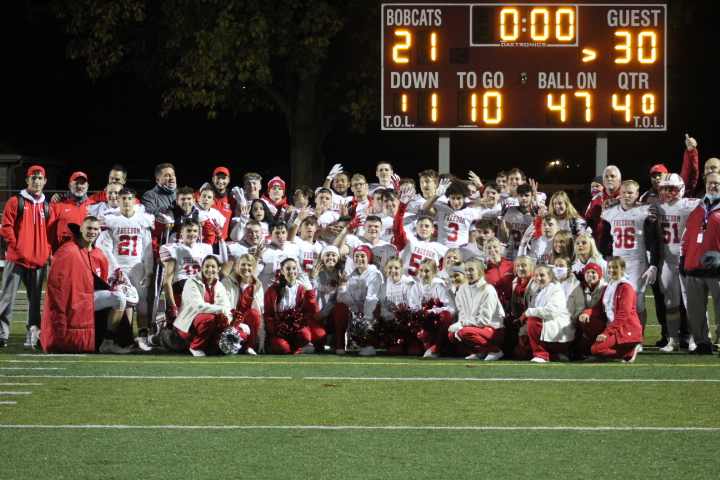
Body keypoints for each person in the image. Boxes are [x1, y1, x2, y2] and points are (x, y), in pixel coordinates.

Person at [41, 217, 131, 354]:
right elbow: (58, 285)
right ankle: (38, 335)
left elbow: (102, 281)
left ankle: (107, 342)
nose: (92, 232)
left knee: (119, 298)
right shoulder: (68, 251)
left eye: (95, 229)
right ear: (81, 229)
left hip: (90, 297)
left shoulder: (98, 254)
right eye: (89, 228)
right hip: (74, 298)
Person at [0, 165, 53, 348]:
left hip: (38, 261)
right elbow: (6, 227)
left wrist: (45, 252)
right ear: (27, 180)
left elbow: (50, 233)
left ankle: (33, 334)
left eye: (40, 178)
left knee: (35, 301)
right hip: (16, 260)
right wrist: (16, 248)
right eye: (33, 178)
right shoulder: (16, 201)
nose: (36, 181)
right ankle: (2, 334)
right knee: (7, 298)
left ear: (45, 181)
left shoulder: (47, 205)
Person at [97, 188, 155, 350]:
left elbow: (147, 248)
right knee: (120, 303)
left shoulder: (143, 219)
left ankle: (143, 337)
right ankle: (122, 337)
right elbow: (106, 248)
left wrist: (149, 270)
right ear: (119, 200)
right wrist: (115, 268)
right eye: (123, 198)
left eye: (129, 198)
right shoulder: (110, 219)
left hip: (137, 266)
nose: (127, 201)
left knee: (142, 304)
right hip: (118, 267)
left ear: (135, 200)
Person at [600, 179, 659, 333]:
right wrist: (600, 260)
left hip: (636, 260)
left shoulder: (644, 210)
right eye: (624, 192)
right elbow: (604, 239)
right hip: (616, 261)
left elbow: (653, 240)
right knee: (613, 298)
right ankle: (618, 333)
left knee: (637, 300)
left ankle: (638, 336)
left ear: (637, 194)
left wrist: (653, 263)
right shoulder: (611, 211)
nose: (627, 196)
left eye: (630, 193)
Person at [656, 173, 700, 352]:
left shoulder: (691, 205)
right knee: (670, 303)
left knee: (692, 303)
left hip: (686, 261)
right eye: (664, 189)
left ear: (680, 189)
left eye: (671, 189)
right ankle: (673, 340)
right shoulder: (656, 205)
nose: (667, 193)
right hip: (667, 262)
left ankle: (695, 338)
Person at [680, 171, 720, 355]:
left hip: (717, 270)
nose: (713, 186)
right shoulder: (697, 208)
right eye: (710, 183)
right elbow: (687, 236)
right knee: (696, 312)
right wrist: (684, 259)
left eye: (717, 184)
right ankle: (703, 343)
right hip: (694, 268)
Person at [579, 257, 642, 362]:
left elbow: (623, 315)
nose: (611, 270)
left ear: (622, 269)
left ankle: (628, 351)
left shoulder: (626, 287)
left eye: (615, 267)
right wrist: (586, 313)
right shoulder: (610, 286)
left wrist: (606, 333)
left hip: (622, 328)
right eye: (609, 267)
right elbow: (599, 308)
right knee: (585, 321)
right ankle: (606, 350)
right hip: (611, 326)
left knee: (596, 350)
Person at [175, 255, 233, 357]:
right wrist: (222, 310)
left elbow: (226, 305)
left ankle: (209, 344)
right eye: (207, 266)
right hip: (188, 326)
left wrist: (230, 321)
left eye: (213, 267)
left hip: (209, 324)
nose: (210, 270)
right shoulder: (192, 282)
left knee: (237, 334)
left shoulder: (220, 285)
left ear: (218, 269)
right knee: (209, 318)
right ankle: (196, 347)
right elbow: (199, 307)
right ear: (202, 267)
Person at [448, 259, 506, 361]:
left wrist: (462, 324)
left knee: (463, 332)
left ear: (479, 272)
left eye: (471, 270)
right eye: (466, 270)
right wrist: (461, 323)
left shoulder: (488, 290)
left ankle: (495, 350)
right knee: (452, 335)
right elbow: (462, 313)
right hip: (475, 328)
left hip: (493, 329)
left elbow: (484, 320)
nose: (468, 273)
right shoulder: (462, 289)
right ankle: (480, 352)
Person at [159, 219, 214, 324]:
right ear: (182, 231)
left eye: (194, 231)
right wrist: (173, 306)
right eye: (188, 231)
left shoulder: (205, 248)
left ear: (198, 233)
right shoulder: (174, 249)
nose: (192, 234)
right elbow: (167, 281)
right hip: (181, 287)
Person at [263, 258, 319, 354]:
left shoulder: (302, 287)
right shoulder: (273, 289)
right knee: (282, 348)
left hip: (298, 328)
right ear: (282, 271)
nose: (292, 271)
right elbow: (268, 313)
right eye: (288, 269)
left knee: (305, 336)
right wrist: (275, 328)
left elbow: (313, 311)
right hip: (278, 329)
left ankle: (295, 348)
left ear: (297, 270)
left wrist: (310, 291)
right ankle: (299, 349)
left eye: (294, 268)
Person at [523, 264, 574, 363]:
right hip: (546, 334)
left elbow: (550, 312)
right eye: (536, 275)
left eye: (542, 275)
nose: (538, 278)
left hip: (557, 336)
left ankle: (542, 355)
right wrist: (522, 334)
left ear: (550, 277)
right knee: (521, 353)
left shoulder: (556, 291)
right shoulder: (538, 293)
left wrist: (529, 312)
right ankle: (555, 357)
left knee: (533, 320)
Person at [337, 246, 383, 356]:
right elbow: (342, 300)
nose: (359, 259)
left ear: (368, 258)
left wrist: (366, 319)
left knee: (375, 307)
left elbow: (372, 298)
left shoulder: (375, 274)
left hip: (370, 312)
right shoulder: (350, 276)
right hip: (357, 313)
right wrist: (342, 286)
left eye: (363, 256)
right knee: (340, 308)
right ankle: (340, 343)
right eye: (356, 256)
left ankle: (369, 344)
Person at [393, 184, 447, 277]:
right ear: (416, 229)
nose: (424, 228)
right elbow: (397, 228)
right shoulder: (409, 240)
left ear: (433, 230)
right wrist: (402, 206)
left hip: (425, 288)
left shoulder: (439, 249)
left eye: (427, 226)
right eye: (421, 226)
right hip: (406, 285)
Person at [408, 259, 455, 358]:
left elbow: (451, 308)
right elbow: (413, 311)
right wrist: (423, 317)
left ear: (433, 272)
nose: (423, 274)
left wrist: (431, 312)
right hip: (422, 324)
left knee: (445, 314)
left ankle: (435, 347)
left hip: (438, 326)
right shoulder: (415, 287)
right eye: (421, 270)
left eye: (427, 271)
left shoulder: (439, 286)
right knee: (414, 351)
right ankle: (429, 347)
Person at [309, 246, 350, 354]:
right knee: (319, 336)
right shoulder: (314, 272)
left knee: (343, 308)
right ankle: (317, 343)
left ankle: (339, 344)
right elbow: (308, 295)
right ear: (322, 258)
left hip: (329, 316)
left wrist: (324, 313)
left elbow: (338, 300)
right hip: (314, 315)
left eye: (333, 255)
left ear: (338, 258)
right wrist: (312, 279)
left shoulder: (341, 275)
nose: (330, 258)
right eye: (327, 255)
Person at [221, 254, 265, 355]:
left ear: (253, 268)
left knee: (254, 313)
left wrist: (262, 339)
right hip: (230, 322)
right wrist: (237, 323)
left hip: (248, 323)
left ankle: (250, 346)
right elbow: (224, 308)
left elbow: (260, 313)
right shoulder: (227, 282)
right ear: (237, 266)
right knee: (242, 336)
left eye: (249, 265)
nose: (246, 268)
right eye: (243, 265)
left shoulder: (257, 286)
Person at [377, 256, 419, 356]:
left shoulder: (410, 285)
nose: (393, 271)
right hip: (392, 326)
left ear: (401, 269)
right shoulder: (383, 287)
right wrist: (393, 319)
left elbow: (415, 306)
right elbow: (383, 309)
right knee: (395, 352)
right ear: (386, 268)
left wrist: (405, 319)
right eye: (390, 268)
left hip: (409, 326)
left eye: (396, 268)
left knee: (415, 351)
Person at [422, 179, 482, 248]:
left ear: (464, 198)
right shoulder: (442, 208)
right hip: (442, 248)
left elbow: (475, 233)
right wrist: (437, 195)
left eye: (459, 198)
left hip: (461, 250)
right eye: (453, 198)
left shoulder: (472, 212)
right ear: (448, 198)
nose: (456, 202)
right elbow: (425, 209)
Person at [48, 171, 92, 252]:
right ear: (69, 185)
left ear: (87, 186)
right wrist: (49, 252)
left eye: (82, 183)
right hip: (63, 253)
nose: (79, 186)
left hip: (87, 254)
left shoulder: (94, 205)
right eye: (76, 183)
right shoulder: (57, 204)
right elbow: (49, 231)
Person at [195, 166, 237, 239]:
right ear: (213, 179)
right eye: (218, 178)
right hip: (205, 241)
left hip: (225, 242)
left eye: (224, 178)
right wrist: (199, 192)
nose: (220, 181)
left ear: (228, 180)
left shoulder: (232, 199)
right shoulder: (204, 196)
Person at [498, 183, 536, 260]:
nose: (524, 198)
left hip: (530, 255)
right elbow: (504, 239)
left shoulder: (536, 213)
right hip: (513, 255)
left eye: (527, 195)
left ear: (532, 197)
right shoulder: (510, 211)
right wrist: (502, 219)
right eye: (521, 195)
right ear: (517, 197)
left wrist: (537, 219)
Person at [585, 165, 622, 244]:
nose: (609, 179)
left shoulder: (626, 198)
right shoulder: (595, 200)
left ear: (619, 181)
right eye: (606, 176)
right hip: (600, 248)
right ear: (603, 180)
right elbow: (586, 222)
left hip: (621, 249)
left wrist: (620, 202)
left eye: (612, 176)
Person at [484, 237, 515, 309]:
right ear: (485, 252)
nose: (492, 250)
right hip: (495, 307)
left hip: (513, 306)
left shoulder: (512, 266)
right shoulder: (484, 271)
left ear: (500, 248)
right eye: (489, 248)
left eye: (495, 247)